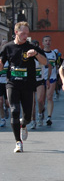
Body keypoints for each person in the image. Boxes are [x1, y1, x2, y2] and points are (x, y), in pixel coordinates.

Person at [0, 22, 47, 153]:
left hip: (27, 85)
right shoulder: (8, 47)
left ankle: (24, 124)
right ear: (16, 32)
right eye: (23, 33)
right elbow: (1, 64)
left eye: (27, 33)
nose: (25, 36)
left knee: (27, 115)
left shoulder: (31, 47)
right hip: (12, 84)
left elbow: (45, 62)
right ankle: (18, 142)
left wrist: (36, 54)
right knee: (14, 110)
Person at [41, 35, 59, 126]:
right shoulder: (40, 54)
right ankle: (41, 112)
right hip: (41, 78)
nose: (47, 42)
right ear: (43, 43)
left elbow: (56, 65)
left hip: (52, 78)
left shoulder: (54, 54)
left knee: (49, 96)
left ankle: (49, 116)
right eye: (46, 40)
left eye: (49, 40)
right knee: (41, 100)